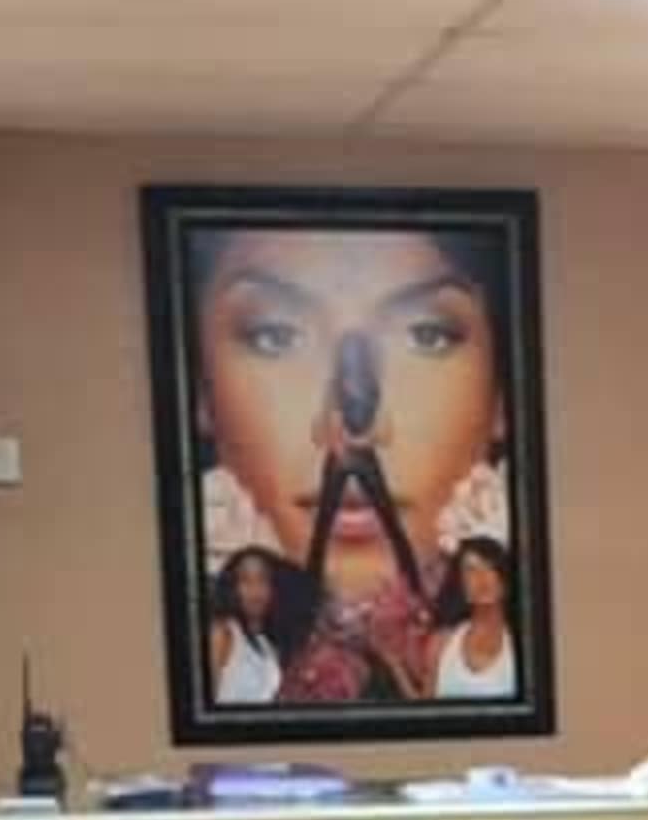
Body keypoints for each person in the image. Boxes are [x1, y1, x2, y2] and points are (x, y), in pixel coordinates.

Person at [185, 221, 516, 707]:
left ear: (502, 401)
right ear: (203, 397)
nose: (354, 423)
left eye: (428, 335)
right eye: (275, 335)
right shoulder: (236, 640)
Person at [206, 547, 307, 708]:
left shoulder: (272, 644)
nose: (255, 589)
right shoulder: (222, 633)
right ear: (232, 587)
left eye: (263, 579)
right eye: (245, 580)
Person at [427, 538, 520, 701]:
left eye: (490, 567)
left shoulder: (525, 644)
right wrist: (394, 664)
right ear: (460, 583)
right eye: (471, 570)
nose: (482, 578)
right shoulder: (440, 644)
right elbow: (424, 711)